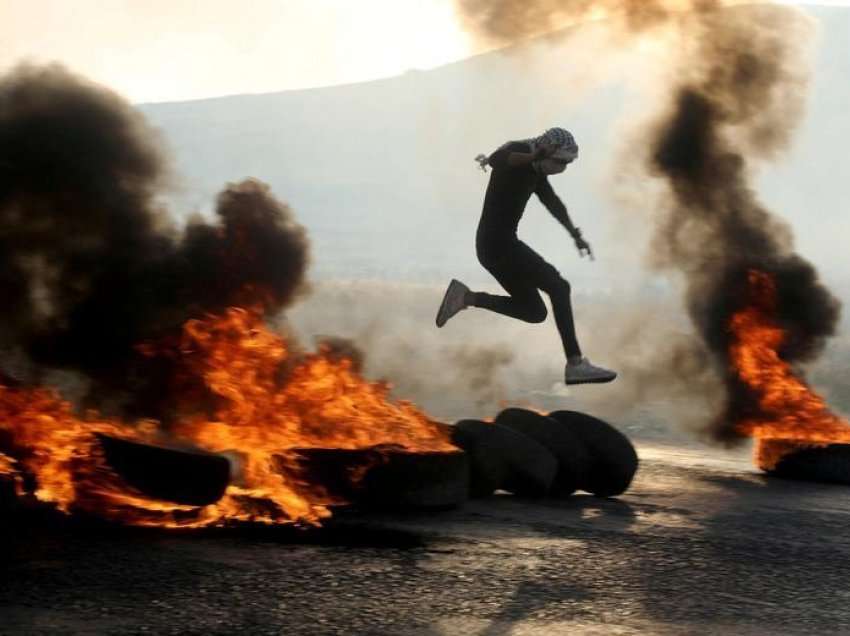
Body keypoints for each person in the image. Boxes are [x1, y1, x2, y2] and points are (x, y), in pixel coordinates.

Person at [435, 127, 616, 385]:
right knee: (559, 287)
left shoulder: (536, 172)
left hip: (495, 248)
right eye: (561, 162)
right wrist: (534, 157)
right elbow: (498, 159)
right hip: (498, 245)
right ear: (547, 153)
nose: (563, 168)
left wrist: (575, 234)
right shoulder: (519, 153)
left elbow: (553, 203)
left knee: (534, 311)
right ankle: (575, 363)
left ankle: (466, 297)